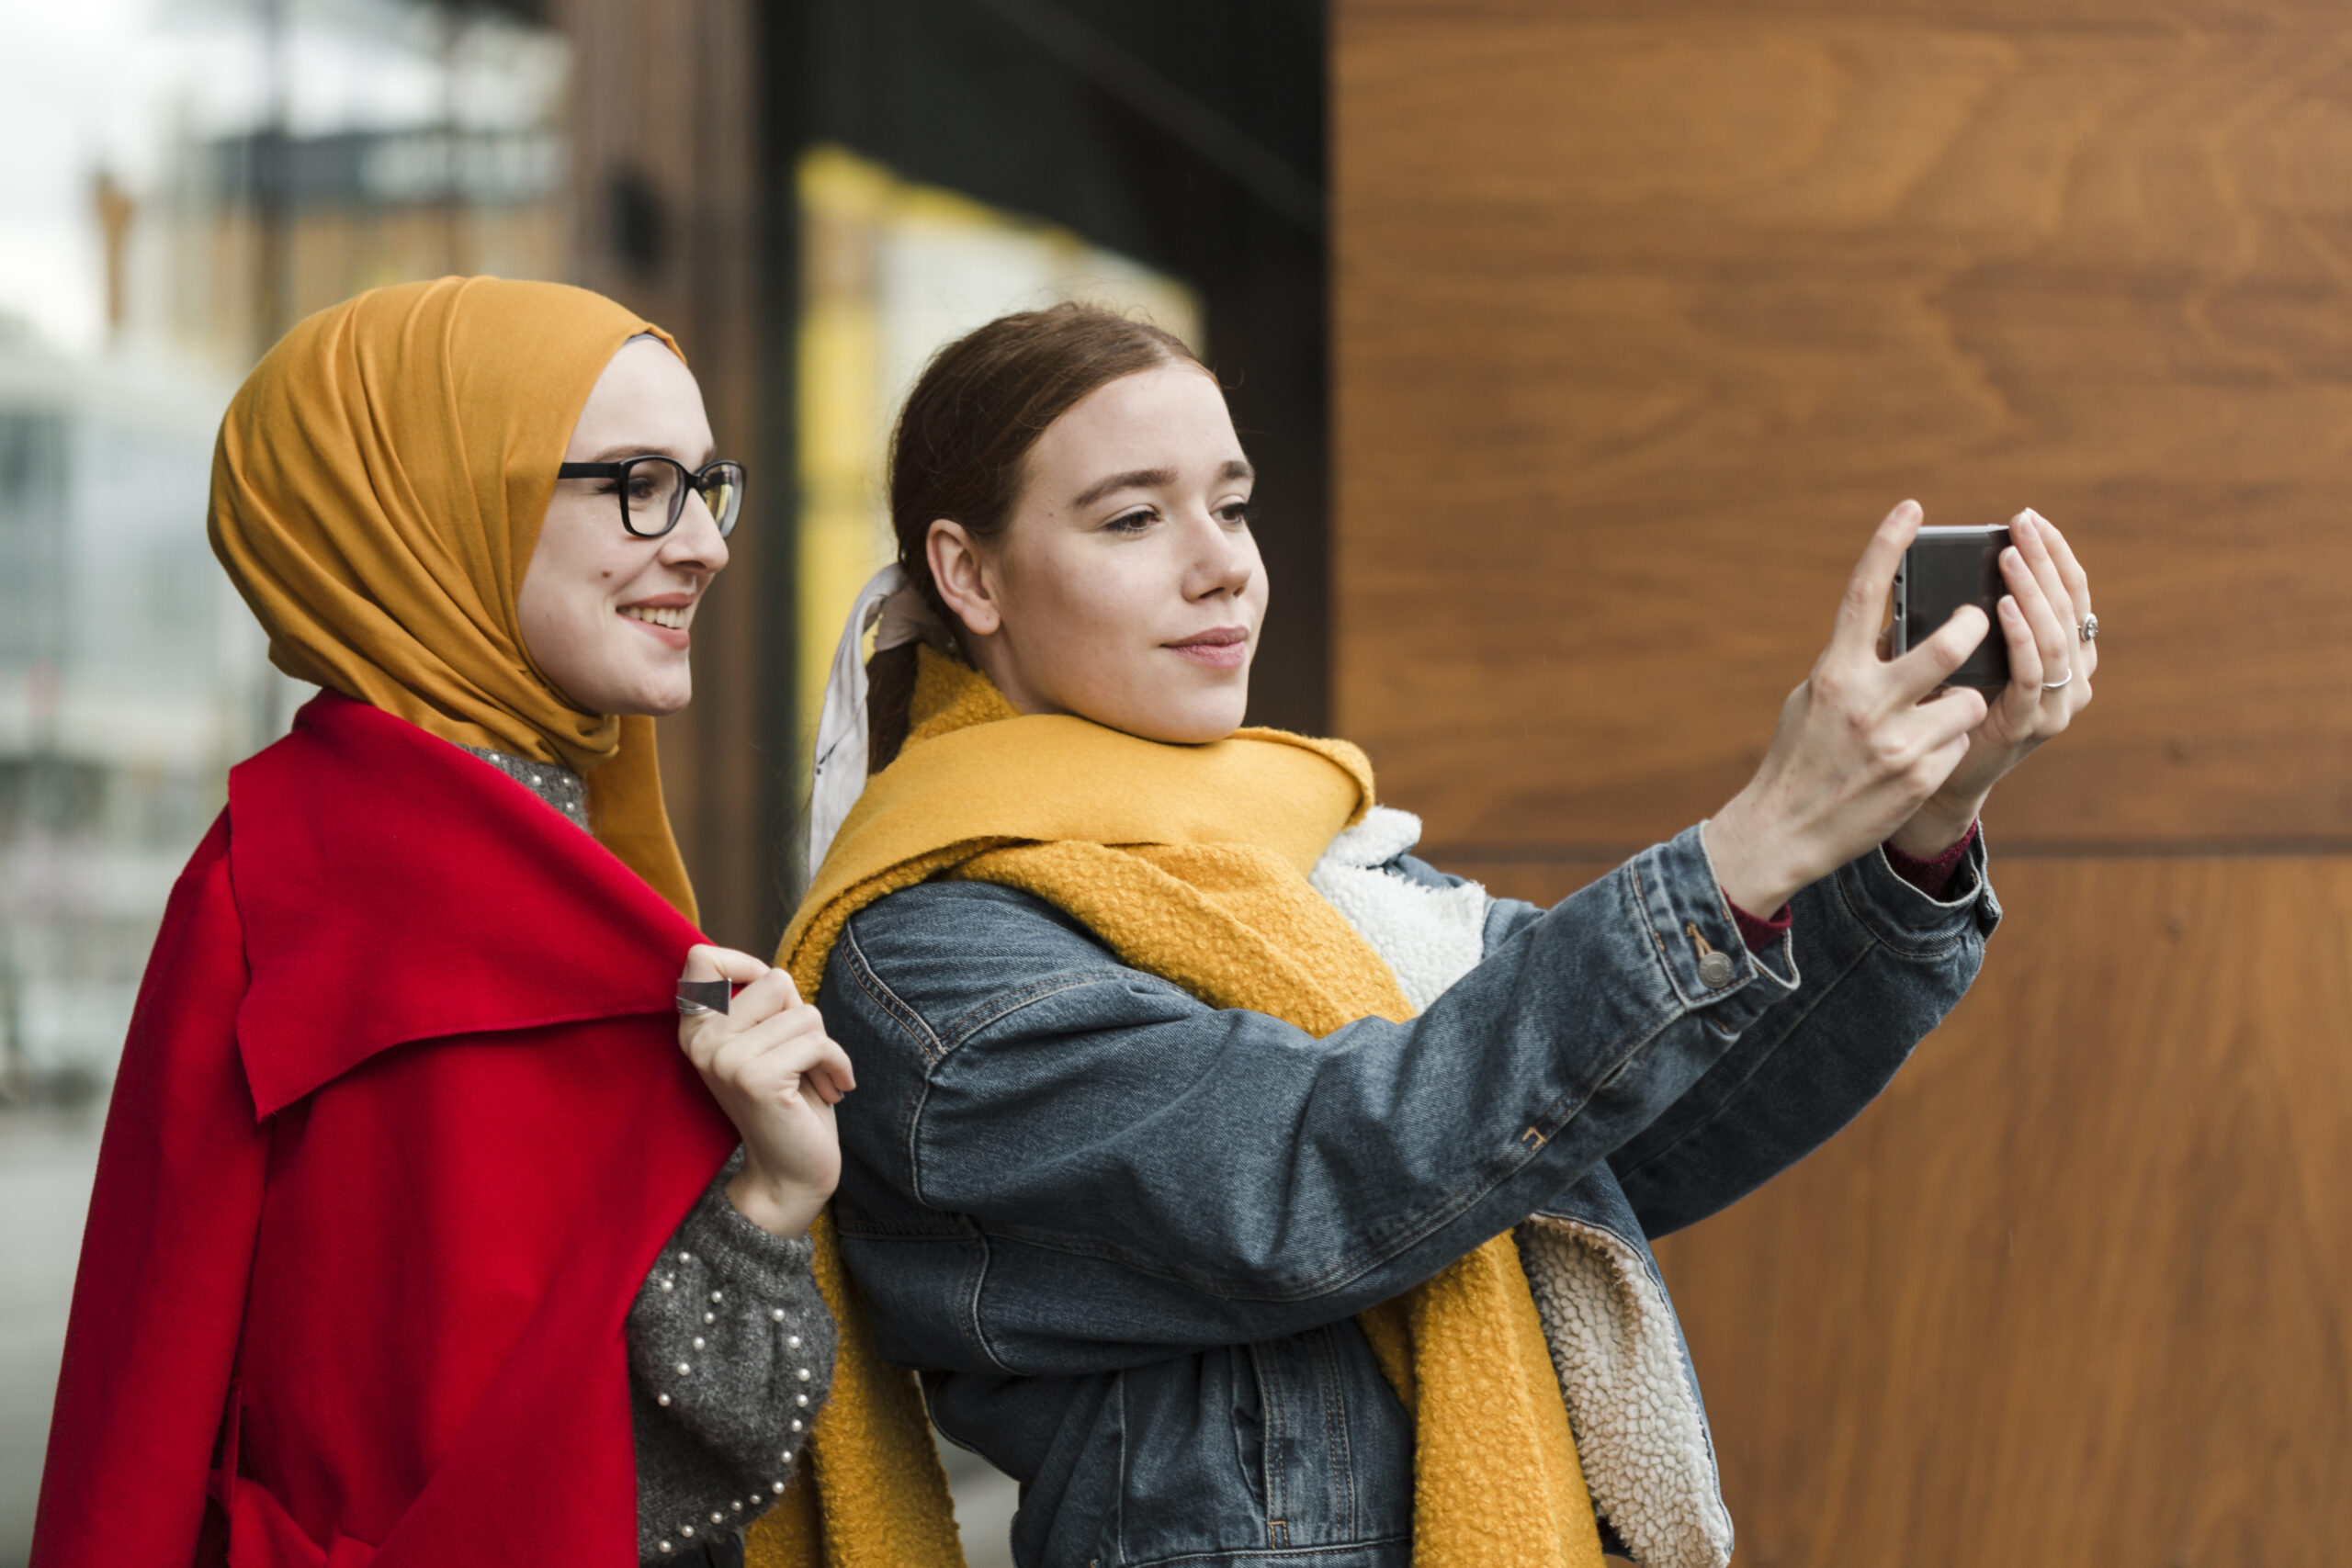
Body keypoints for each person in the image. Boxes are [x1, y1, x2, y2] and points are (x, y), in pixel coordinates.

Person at [778, 303, 2098, 1568]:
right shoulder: (929, 958)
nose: (1222, 561)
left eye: (1231, 504)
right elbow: (1314, 1170)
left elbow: (1626, 1120)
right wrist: (1751, 843)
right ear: (969, 574)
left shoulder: (1315, 861)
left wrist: (1923, 828)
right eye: (1134, 517)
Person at [29, 278, 952, 1568]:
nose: (704, 544)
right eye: (640, 483)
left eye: (705, 485)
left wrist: (770, 1197)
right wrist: (759, 1214)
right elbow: (157, 1425)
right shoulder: (299, 889)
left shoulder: (562, 873)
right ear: (443, 502)